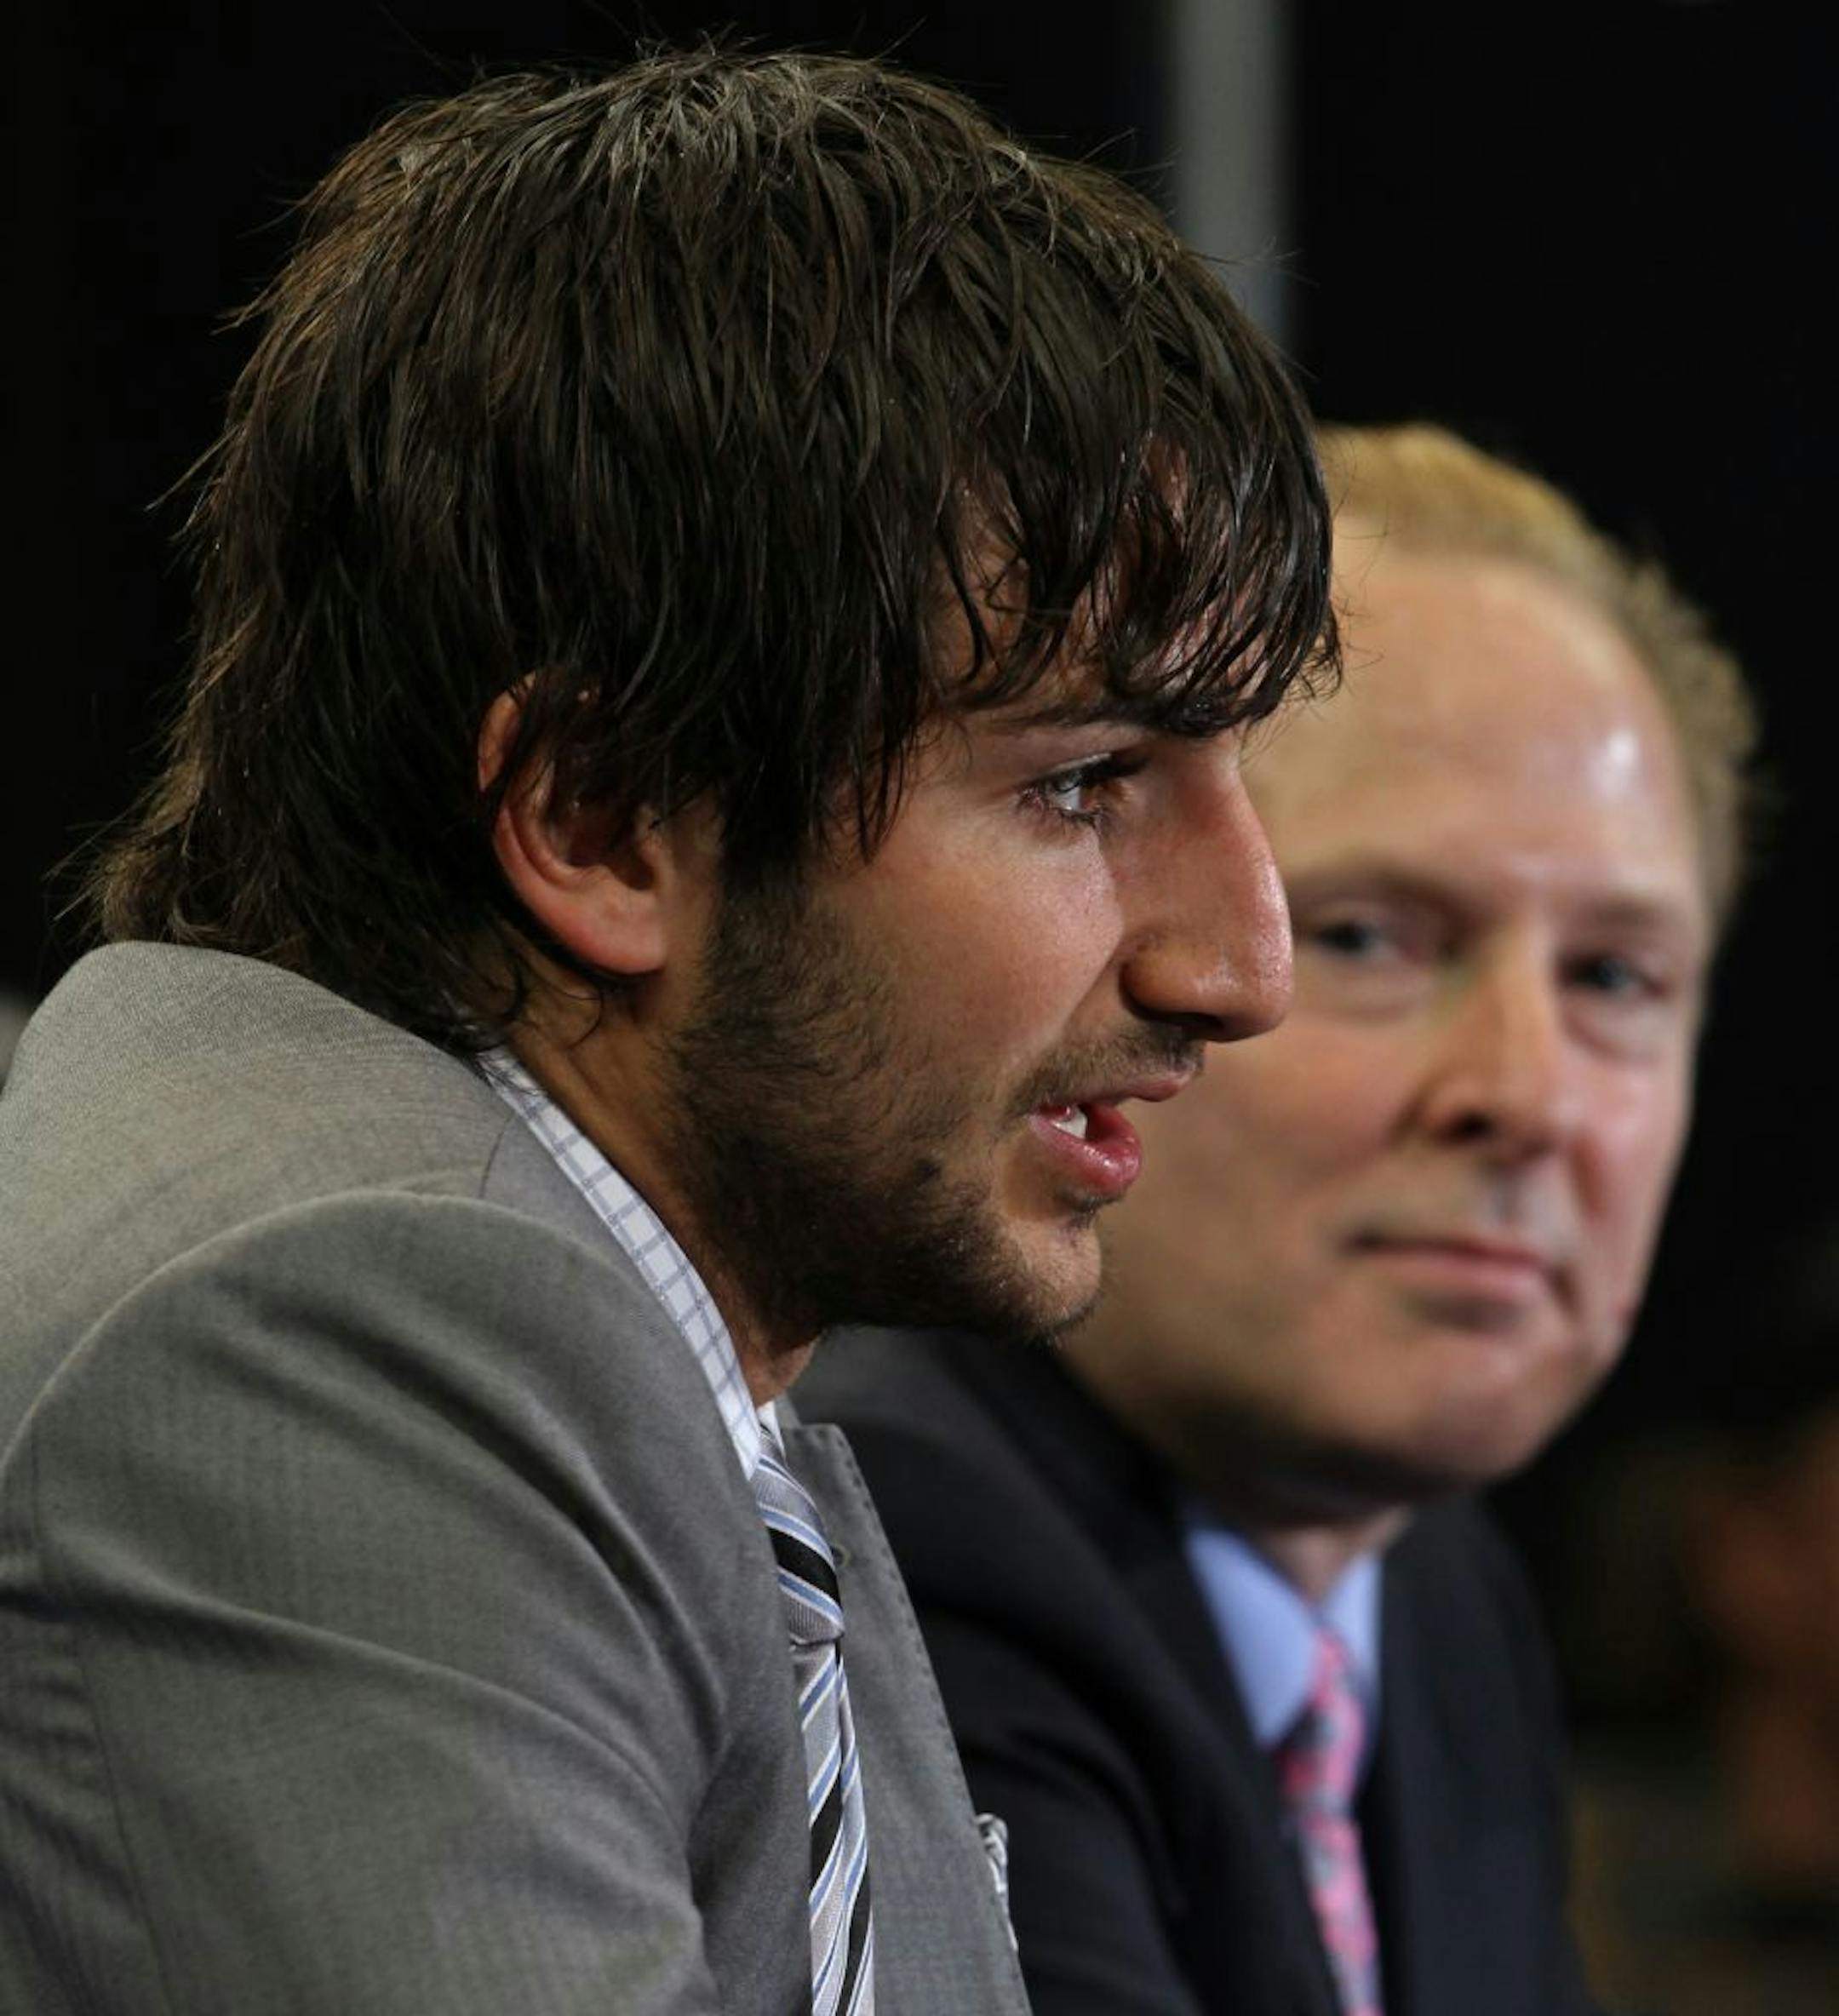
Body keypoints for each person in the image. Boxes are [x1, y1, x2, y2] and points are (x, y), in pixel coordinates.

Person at [0, 51, 1338, 2016]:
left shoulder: (633, 1294)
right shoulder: (340, 1318)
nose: (1245, 961)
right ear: (604, 818)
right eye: (1082, 779)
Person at [800, 423, 1757, 2016]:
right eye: (1376, 936)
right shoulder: (896, 1549)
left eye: (1613, 977)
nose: (1526, 1093)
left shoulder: (1431, 1590)